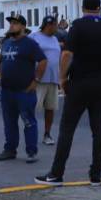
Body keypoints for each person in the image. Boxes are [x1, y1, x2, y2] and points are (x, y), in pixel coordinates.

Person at [36, 0, 101, 187]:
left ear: (83, 8)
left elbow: (67, 54)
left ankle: (56, 174)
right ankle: (96, 175)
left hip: (80, 82)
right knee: (98, 129)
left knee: (67, 129)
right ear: (99, 8)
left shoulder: (77, 26)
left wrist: (62, 77)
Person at [0, 14, 46, 163]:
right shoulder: (6, 43)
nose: (11, 26)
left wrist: (36, 81)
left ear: (23, 26)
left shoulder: (30, 44)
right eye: (11, 23)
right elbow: (1, 61)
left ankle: (31, 151)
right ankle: (10, 149)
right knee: (9, 122)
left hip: (24, 91)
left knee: (28, 121)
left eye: (15, 23)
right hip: (7, 91)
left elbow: (42, 61)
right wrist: (0, 78)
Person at [30, 16, 63, 146]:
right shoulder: (34, 37)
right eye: (55, 25)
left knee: (50, 108)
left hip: (53, 79)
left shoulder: (55, 39)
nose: (57, 28)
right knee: (33, 108)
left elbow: (57, 58)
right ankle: (31, 134)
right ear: (49, 25)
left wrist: (60, 77)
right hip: (39, 79)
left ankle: (47, 134)